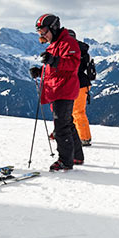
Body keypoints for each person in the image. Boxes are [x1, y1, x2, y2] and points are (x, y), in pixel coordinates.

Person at [29, 14, 84, 172]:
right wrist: (40, 71)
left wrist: (53, 60)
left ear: (53, 27)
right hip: (56, 88)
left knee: (61, 127)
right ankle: (77, 156)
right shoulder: (54, 44)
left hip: (64, 89)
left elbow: (73, 63)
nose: (42, 35)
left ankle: (65, 161)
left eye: (44, 31)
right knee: (67, 124)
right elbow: (53, 67)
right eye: (40, 32)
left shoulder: (68, 42)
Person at [67, 29, 93, 147]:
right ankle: (64, 133)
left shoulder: (74, 51)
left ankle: (84, 138)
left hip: (78, 84)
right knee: (67, 111)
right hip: (80, 83)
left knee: (77, 111)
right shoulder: (82, 50)